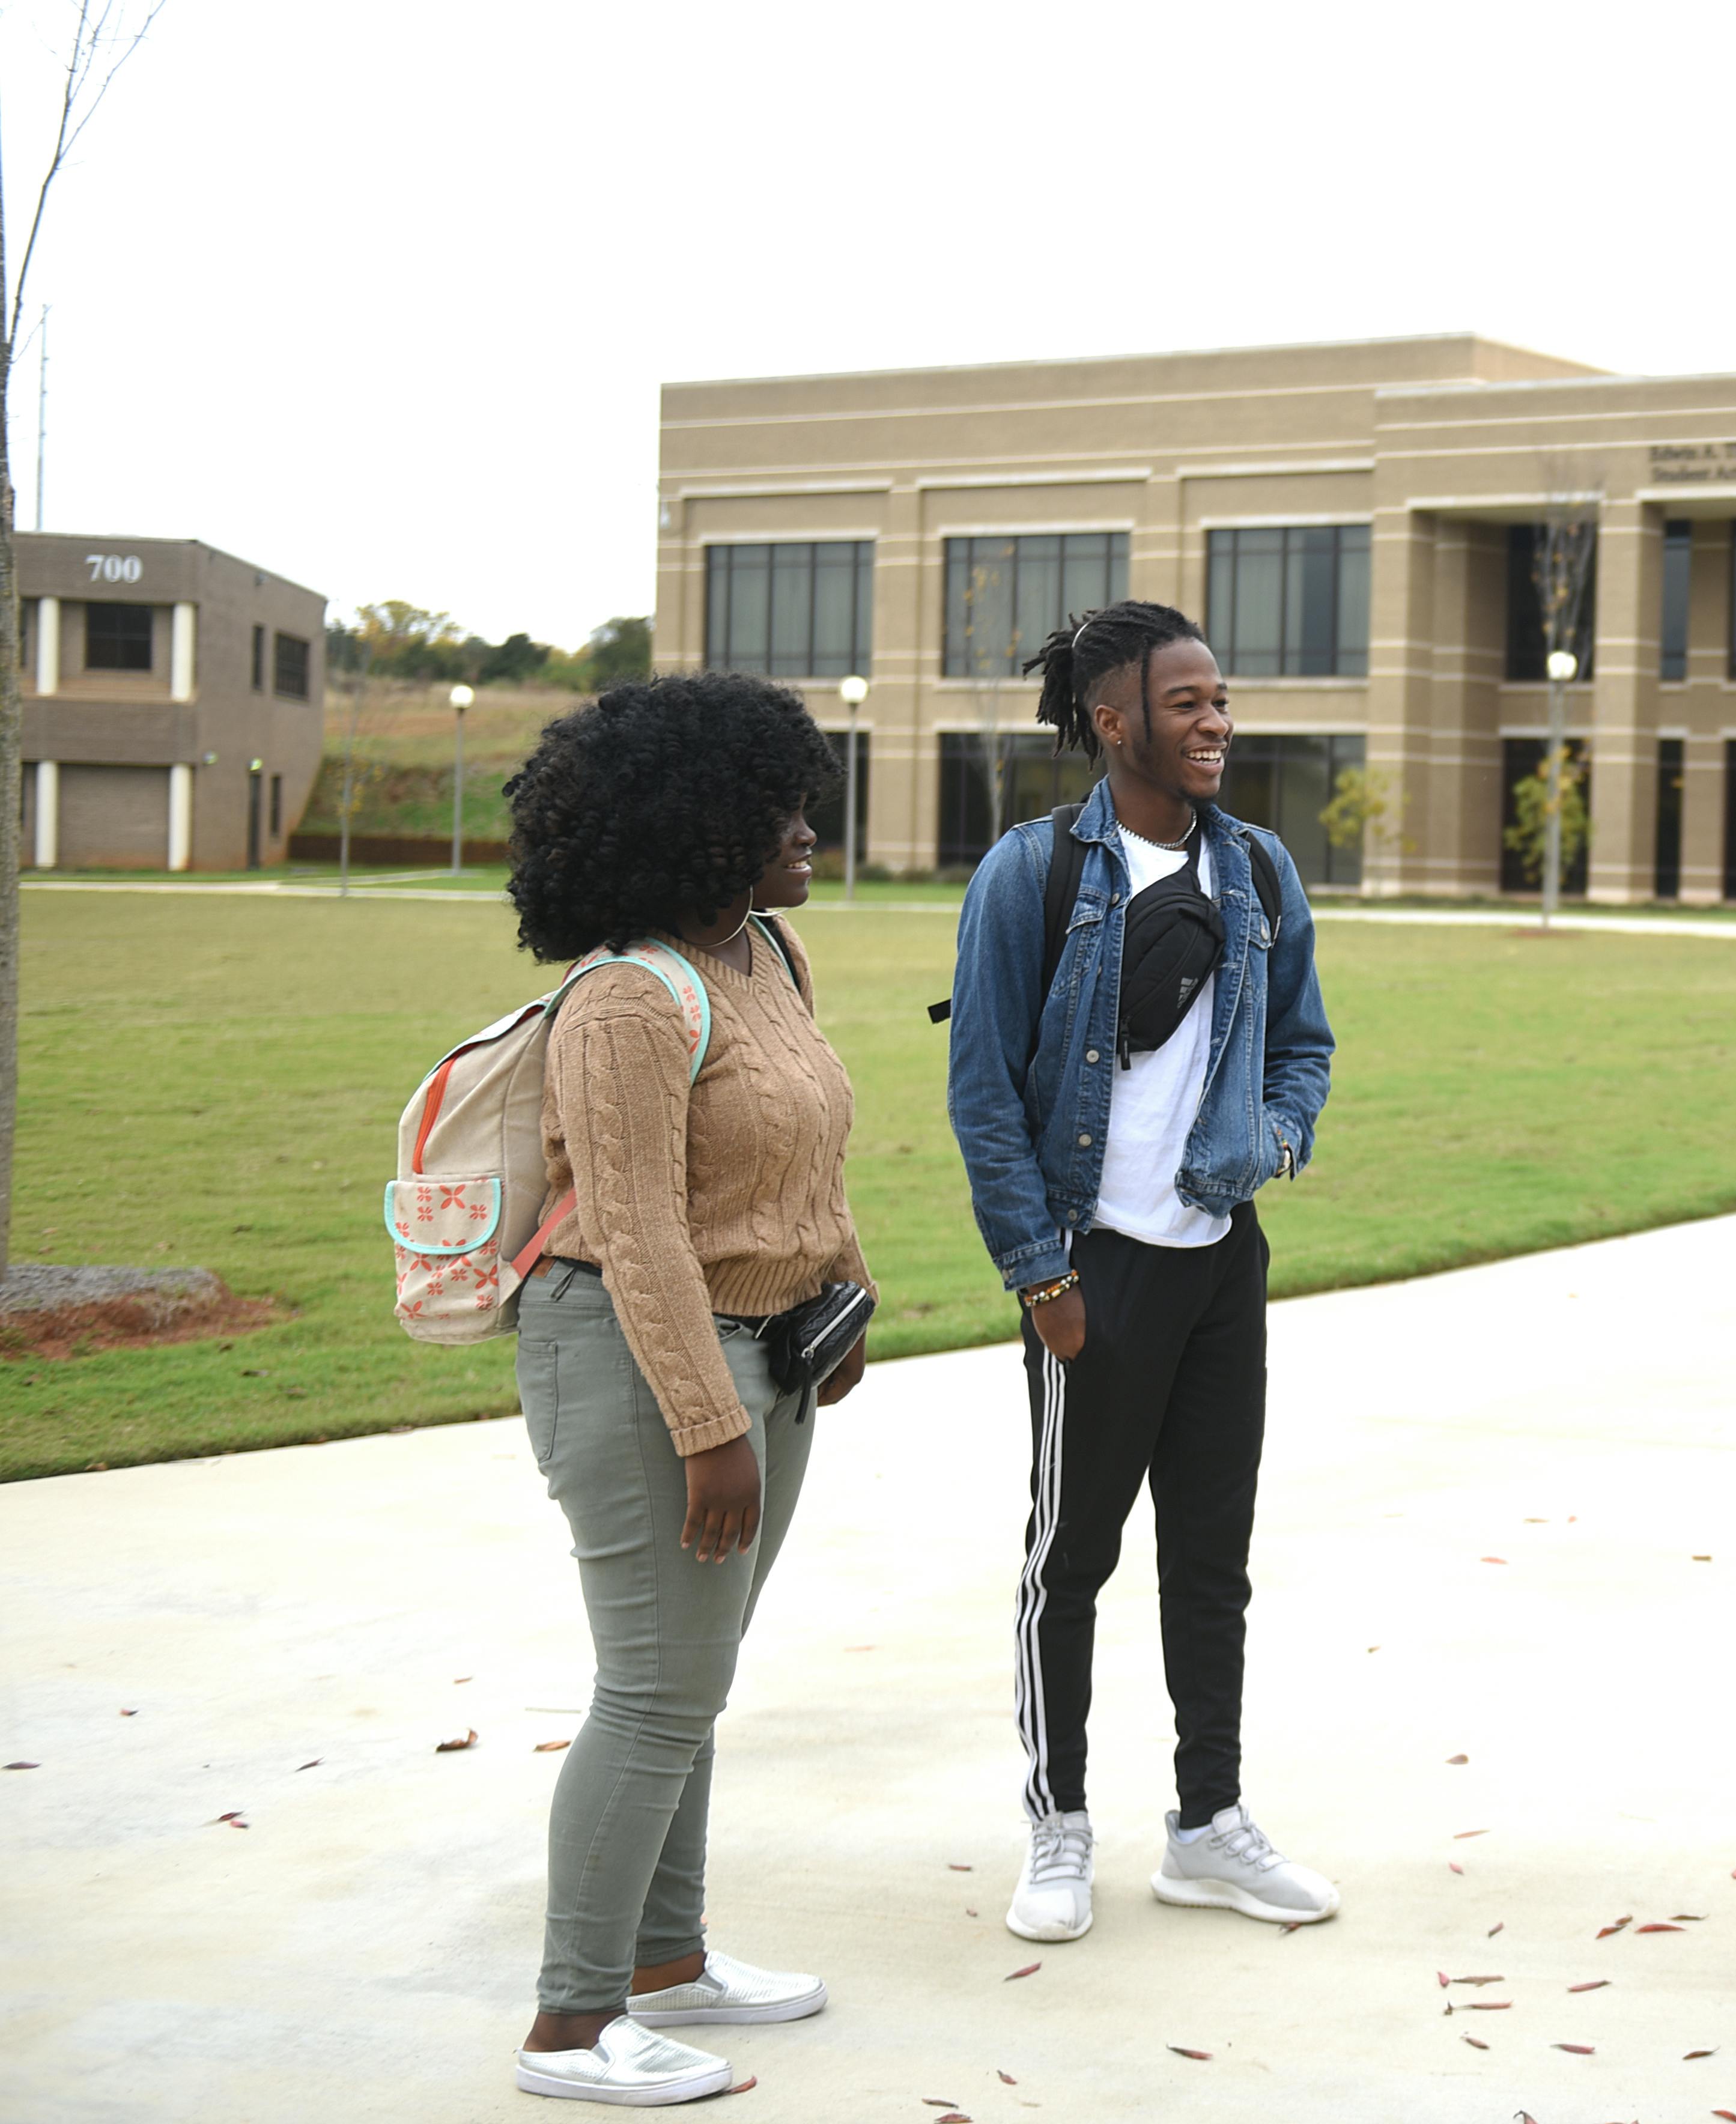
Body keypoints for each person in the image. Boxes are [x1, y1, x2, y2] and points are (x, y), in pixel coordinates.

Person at [944, 601, 1338, 1950]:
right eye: (1186, 703)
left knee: (1211, 1561)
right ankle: (1057, 1824)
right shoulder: (1031, 873)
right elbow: (984, 1093)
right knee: (1071, 1559)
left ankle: (1207, 1826)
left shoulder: (1262, 870)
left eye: (1220, 699)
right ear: (1113, 722)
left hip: (1222, 1267)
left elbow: (1305, 1043)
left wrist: (1270, 1140)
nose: (1215, 721)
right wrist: (1038, 1272)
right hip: (1089, 1273)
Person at [501, 676, 873, 2107]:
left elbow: (810, 1141)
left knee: (691, 1686)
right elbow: (641, 1229)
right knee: (653, 1693)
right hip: (639, 1356)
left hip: (766, 1345)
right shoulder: (623, 1001)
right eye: (781, 810)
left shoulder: (765, 957)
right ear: (700, 823)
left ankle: (667, 1964)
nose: (807, 831)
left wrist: (842, 1287)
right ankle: (573, 2026)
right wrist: (710, 1426)